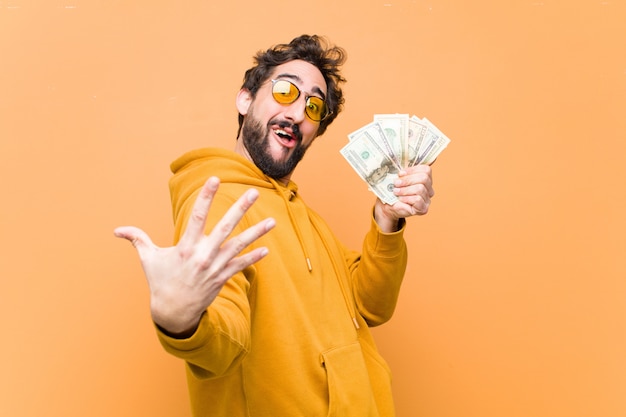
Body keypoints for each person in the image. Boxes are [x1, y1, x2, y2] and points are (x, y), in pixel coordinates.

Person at [114, 34, 434, 417]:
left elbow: (371, 305)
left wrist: (387, 220)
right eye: (286, 91)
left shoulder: (305, 216)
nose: (298, 113)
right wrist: (182, 321)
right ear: (245, 99)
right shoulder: (223, 200)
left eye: (314, 107)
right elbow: (223, 343)